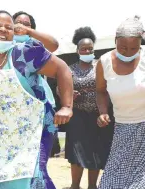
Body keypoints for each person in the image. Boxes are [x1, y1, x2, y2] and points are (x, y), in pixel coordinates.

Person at [0, 10, 73, 189]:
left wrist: (67, 106)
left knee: (33, 176)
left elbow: (62, 69)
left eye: (8, 27)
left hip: (33, 128)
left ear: (14, 33)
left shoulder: (26, 53)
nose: (2, 30)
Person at [0, 11, 59, 150]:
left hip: (35, 98)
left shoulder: (34, 45)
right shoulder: (1, 44)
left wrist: (28, 31)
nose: (21, 25)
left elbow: (54, 45)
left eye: (26, 24)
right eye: (17, 22)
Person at [96, 16, 145, 188]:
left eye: (134, 48)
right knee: (112, 180)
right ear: (115, 40)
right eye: (123, 47)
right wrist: (102, 111)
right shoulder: (104, 62)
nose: (128, 52)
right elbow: (100, 91)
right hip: (122, 127)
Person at [64, 27, 114, 189]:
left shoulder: (101, 65)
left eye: (90, 49)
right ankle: (75, 185)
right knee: (76, 152)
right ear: (77, 51)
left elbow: (110, 87)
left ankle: (92, 186)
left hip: (98, 115)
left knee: (95, 151)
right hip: (78, 116)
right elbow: (61, 89)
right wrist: (70, 94)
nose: (87, 51)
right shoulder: (69, 69)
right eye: (84, 49)